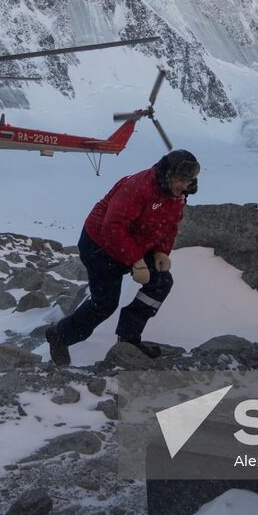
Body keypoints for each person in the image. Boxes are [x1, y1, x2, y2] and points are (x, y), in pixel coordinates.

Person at [45, 150, 200, 365]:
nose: (185, 186)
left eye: (189, 181)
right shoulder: (139, 188)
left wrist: (162, 251)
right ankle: (59, 336)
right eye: (181, 180)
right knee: (105, 305)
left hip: (134, 241)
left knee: (161, 282)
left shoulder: (176, 194)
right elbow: (113, 227)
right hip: (100, 245)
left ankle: (128, 339)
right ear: (168, 174)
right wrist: (136, 261)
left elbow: (169, 224)